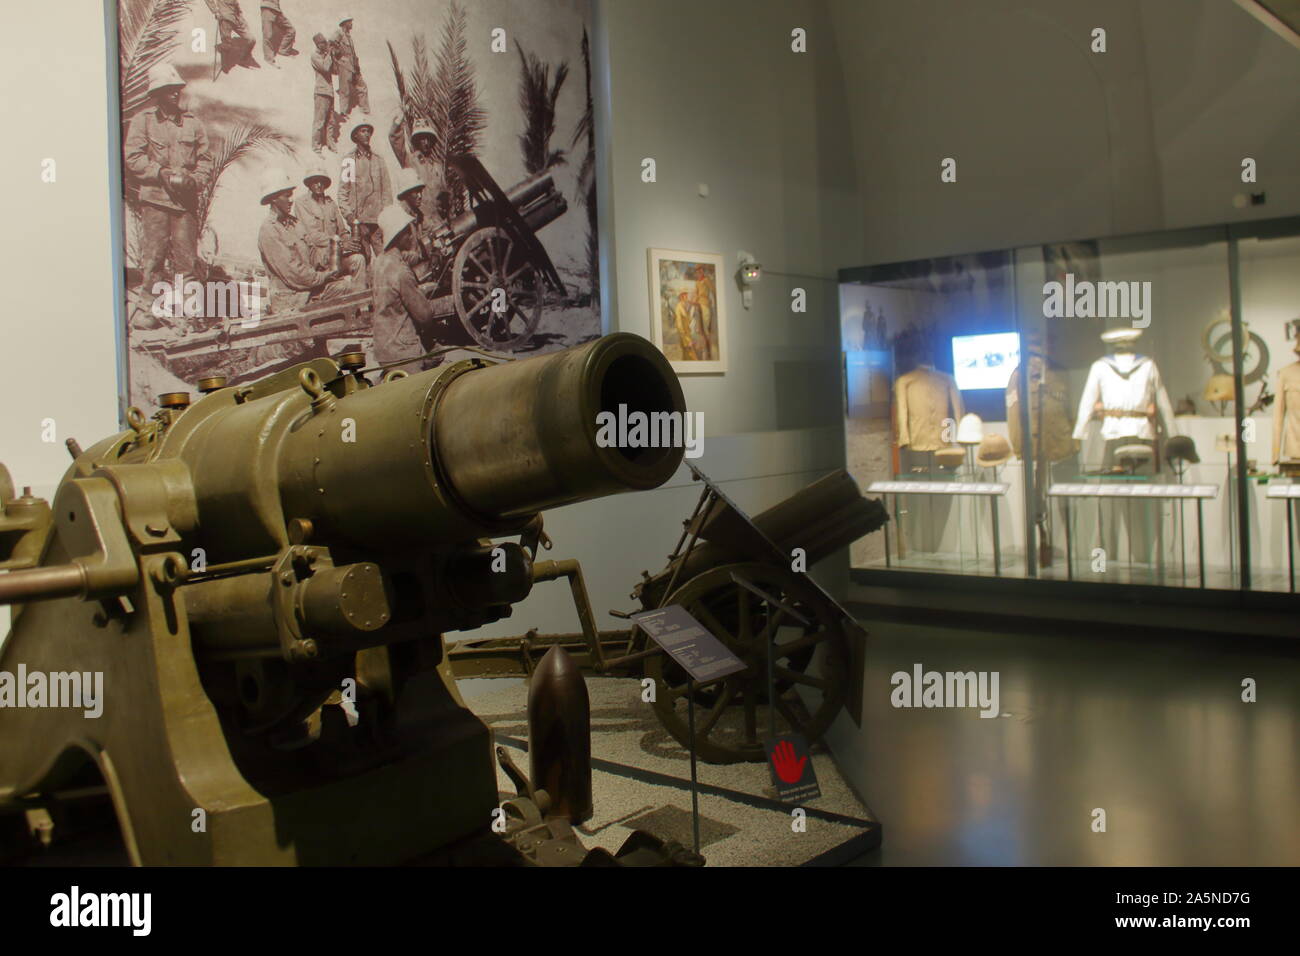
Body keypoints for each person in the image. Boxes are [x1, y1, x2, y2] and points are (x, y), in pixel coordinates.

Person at [124, 63, 213, 330]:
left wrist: (194, 181)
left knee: (188, 260)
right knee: (154, 258)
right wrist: (160, 173)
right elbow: (133, 157)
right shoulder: (144, 121)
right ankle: (148, 311)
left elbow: (206, 160)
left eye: (176, 89)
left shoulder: (193, 124)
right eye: (168, 90)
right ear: (157, 94)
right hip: (155, 201)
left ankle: (192, 313)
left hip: (185, 204)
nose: (175, 94)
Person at [257, 169, 358, 313]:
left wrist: (334, 253)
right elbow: (294, 273)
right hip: (290, 301)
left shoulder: (295, 224)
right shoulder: (269, 231)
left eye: (291, 195)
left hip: (310, 291)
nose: (291, 200)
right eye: (287, 196)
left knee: (349, 288)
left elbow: (312, 253)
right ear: (274, 198)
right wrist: (324, 276)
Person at [371, 204, 445, 368]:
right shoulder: (401, 272)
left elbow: (406, 257)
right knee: (439, 355)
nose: (411, 236)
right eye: (407, 231)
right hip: (403, 353)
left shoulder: (380, 262)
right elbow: (425, 317)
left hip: (383, 350)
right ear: (399, 235)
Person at [295, 168, 365, 284]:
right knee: (340, 283)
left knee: (359, 259)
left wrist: (350, 242)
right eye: (315, 181)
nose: (319, 184)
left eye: (322, 181)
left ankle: (361, 299)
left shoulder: (330, 203)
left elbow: (342, 231)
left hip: (336, 255)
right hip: (318, 260)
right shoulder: (302, 203)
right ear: (309, 183)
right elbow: (313, 236)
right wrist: (342, 244)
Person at [338, 117, 391, 259]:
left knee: (385, 258)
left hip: (378, 222)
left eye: (368, 131)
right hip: (359, 223)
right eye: (363, 131)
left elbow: (387, 192)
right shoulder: (349, 161)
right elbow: (343, 193)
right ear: (355, 135)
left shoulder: (379, 160)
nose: (367, 134)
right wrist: (351, 219)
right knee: (364, 260)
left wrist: (385, 219)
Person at [388, 117, 446, 227]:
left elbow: (444, 194)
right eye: (422, 139)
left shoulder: (438, 166)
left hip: (438, 219)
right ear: (416, 141)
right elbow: (395, 141)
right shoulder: (410, 160)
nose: (426, 142)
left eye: (428, 139)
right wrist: (397, 123)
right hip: (421, 220)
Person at [204, 0, 259, 72]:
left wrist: (241, 17)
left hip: (237, 19)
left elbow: (236, 5)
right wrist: (215, 11)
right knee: (226, 44)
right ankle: (225, 66)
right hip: (225, 18)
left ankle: (242, 60)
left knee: (251, 39)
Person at [331, 15, 369, 118]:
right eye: (350, 22)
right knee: (345, 89)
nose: (352, 24)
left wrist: (356, 64)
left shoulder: (348, 36)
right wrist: (338, 57)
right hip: (344, 65)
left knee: (362, 86)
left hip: (353, 66)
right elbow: (331, 44)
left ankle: (365, 110)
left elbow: (352, 52)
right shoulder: (338, 33)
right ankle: (343, 112)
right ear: (344, 23)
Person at [310, 33, 339, 154]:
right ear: (318, 44)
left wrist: (333, 54)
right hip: (321, 92)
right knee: (319, 121)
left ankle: (330, 143)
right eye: (323, 43)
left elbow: (335, 71)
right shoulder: (315, 56)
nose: (326, 45)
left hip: (329, 92)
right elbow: (325, 68)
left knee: (331, 120)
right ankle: (316, 147)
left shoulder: (325, 55)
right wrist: (329, 54)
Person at [259, 0, 298, 68]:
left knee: (291, 30)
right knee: (268, 35)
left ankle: (283, 50)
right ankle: (269, 59)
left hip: (277, 9)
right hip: (267, 8)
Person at [673, 291, 698, 361]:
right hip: (684, 336)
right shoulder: (679, 307)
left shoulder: (684, 306)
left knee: (686, 356)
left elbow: (688, 321)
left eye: (687, 295)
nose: (687, 297)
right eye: (685, 295)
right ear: (681, 297)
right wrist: (686, 340)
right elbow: (679, 325)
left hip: (687, 334)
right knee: (691, 355)